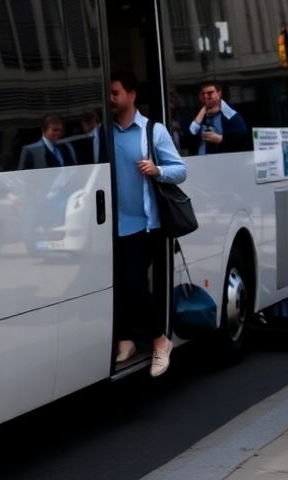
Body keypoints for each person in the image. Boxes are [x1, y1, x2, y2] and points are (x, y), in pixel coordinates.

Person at [109, 71, 187, 377]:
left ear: (131, 95)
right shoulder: (106, 131)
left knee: (134, 283)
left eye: (115, 93)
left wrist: (157, 171)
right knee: (117, 284)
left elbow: (180, 170)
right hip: (110, 224)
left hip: (144, 224)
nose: (111, 99)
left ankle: (159, 341)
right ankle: (126, 340)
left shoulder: (152, 131)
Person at [186, 80, 249, 155]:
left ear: (219, 93)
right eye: (203, 94)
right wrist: (203, 110)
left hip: (222, 162)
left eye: (210, 93)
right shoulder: (199, 115)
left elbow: (242, 139)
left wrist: (221, 139)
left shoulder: (230, 114)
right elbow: (188, 138)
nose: (205, 96)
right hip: (200, 162)